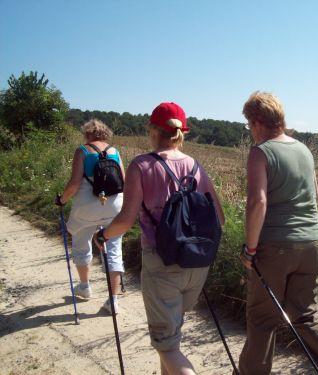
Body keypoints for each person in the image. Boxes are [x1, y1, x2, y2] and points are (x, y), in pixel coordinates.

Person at [238, 91, 318, 374]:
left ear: (258, 122)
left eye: (249, 124)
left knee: (262, 318)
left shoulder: (261, 152)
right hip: (312, 242)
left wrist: (250, 248)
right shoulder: (303, 150)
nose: (250, 131)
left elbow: (257, 202)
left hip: (276, 245)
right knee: (307, 314)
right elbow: (315, 194)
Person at [92, 102, 225, 375]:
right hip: (196, 263)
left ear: (153, 130)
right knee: (172, 336)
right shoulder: (196, 166)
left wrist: (103, 235)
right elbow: (219, 219)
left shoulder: (141, 165)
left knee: (166, 346)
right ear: (181, 133)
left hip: (161, 262)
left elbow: (126, 220)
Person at [55, 118, 125, 314]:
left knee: (81, 241)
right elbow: (124, 181)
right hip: (113, 206)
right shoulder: (115, 151)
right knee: (114, 247)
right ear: (105, 133)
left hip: (87, 208)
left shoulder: (83, 151)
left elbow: (74, 184)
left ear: (88, 134)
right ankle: (113, 300)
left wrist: (61, 200)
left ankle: (85, 287)